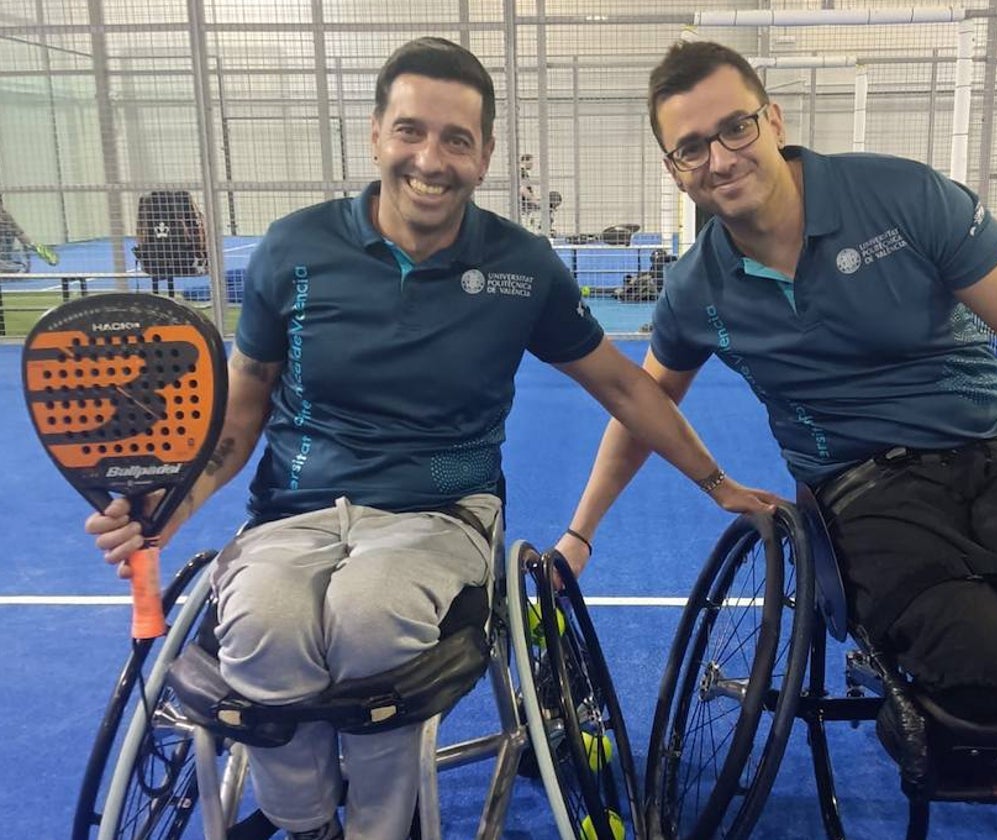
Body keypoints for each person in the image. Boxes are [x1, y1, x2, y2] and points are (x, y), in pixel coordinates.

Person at [85, 37, 776, 840]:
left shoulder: (523, 268)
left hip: (442, 515)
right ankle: (306, 824)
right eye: (411, 131)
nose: (430, 158)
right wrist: (177, 500)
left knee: (371, 617)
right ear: (377, 133)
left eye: (456, 139)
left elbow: (625, 385)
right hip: (294, 514)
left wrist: (715, 481)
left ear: (483, 155)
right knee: (261, 624)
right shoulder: (294, 250)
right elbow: (242, 416)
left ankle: (385, 827)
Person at [556, 40, 997, 737]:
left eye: (735, 128)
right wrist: (584, 534)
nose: (719, 158)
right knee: (977, 664)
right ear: (675, 170)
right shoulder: (696, 289)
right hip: (865, 491)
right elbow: (641, 403)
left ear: (774, 121)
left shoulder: (906, 197)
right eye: (691, 148)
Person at [0, 194, 57, 271]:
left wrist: (36, 247)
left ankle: (4, 262)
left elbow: (20, 234)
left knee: (8, 230)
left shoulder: (5, 215)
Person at [518, 152, 541, 232]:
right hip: (524, 206)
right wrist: (534, 200)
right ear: (524, 161)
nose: (532, 165)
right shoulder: (522, 172)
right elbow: (522, 189)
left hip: (525, 205)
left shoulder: (522, 173)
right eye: (531, 162)